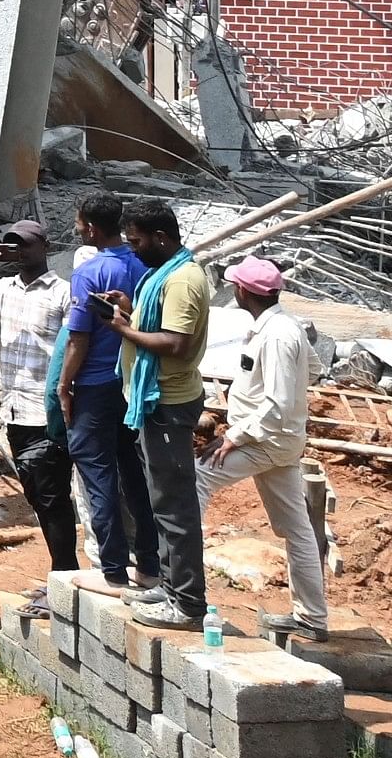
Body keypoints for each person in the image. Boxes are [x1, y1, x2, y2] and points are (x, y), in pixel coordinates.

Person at [96, 200, 213, 628]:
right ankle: (169, 584)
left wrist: (122, 329)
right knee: (159, 499)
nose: (134, 249)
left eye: (138, 241)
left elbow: (176, 343)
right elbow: (157, 325)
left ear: (161, 238)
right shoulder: (164, 275)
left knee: (174, 506)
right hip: (152, 402)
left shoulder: (182, 280)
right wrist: (129, 309)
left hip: (167, 403)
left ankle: (187, 604)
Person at [200, 256, 328, 644]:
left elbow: (277, 403)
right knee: (296, 528)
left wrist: (236, 436)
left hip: (266, 440)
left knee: (196, 478)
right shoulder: (283, 326)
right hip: (278, 440)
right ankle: (312, 617)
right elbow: (316, 370)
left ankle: (186, 591)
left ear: (243, 291)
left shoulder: (276, 335)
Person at [0, 220, 83, 617]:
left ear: (44, 246)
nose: (16, 250)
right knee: (39, 497)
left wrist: (66, 395)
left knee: (53, 497)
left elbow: (76, 345)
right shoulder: (3, 290)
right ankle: (62, 578)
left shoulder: (62, 293)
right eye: (10, 244)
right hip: (15, 411)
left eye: (23, 244)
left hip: (48, 413)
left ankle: (64, 580)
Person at [57, 194, 154, 592]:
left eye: (80, 223)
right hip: (135, 383)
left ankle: (113, 570)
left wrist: (64, 385)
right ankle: (149, 565)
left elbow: (78, 338)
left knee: (98, 476)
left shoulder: (90, 272)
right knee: (136, 476)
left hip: (96, 386)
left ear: (92, 229)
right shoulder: (144, 266)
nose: (78, 229)